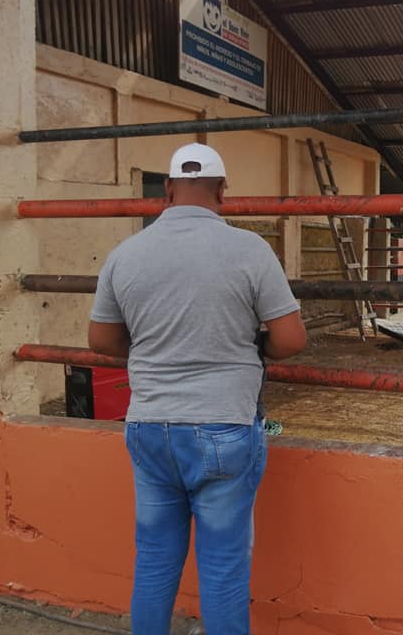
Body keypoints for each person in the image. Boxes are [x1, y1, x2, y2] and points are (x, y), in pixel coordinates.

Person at [88, 143, 306, 634]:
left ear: (167, 189)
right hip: (223, 424)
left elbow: (101, 339)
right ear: (223, 191)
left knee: (154, 559)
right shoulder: (249, 250)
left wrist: (156, 348)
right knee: (223, 568)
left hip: (149, 425)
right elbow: (291, 340)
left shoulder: (127, 253)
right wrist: (251, 346)